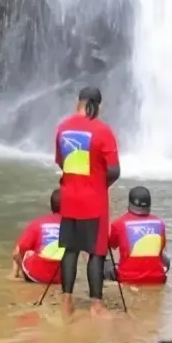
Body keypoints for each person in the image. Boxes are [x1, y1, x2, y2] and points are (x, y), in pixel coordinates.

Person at [54, 86, 120, 317]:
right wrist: (99, 185)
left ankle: (66, 303)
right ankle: (96, 305)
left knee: (69, 250)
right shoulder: (102, 131)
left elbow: (62, 163)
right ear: (97, 105)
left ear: (79, 102)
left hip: (69, 198)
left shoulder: (62, 128)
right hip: (94, 201)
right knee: (96, 251)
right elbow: (114, 170)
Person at [107, 186, 171, 285]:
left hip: (127, 278)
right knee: (165, 258)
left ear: (130, 203)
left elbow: (111, 245)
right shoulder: (160, 223)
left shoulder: (119, 223)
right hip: (157, 279)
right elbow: (160, 251)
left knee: (104, 264)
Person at [12, 188, 64, 285]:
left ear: (51, 206)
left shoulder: (37, 223)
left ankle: (14, 275)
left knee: (22, 249)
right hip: (62, 278)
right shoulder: (75, 227)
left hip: (37, 276)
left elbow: (17, 252)